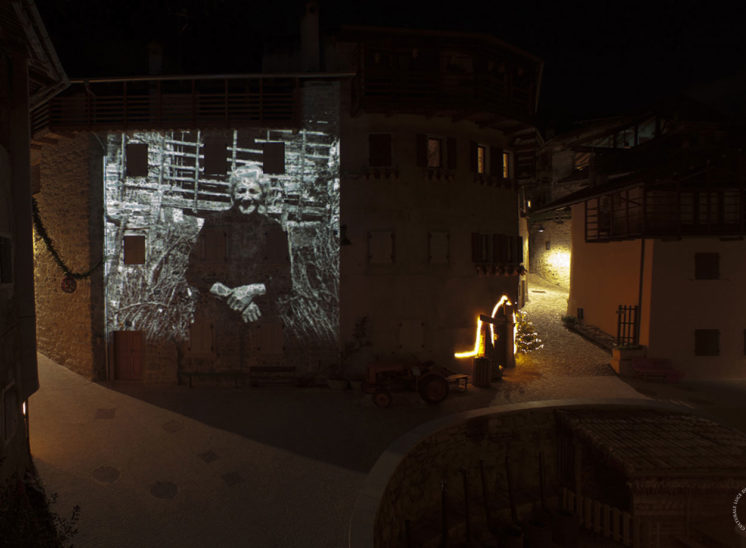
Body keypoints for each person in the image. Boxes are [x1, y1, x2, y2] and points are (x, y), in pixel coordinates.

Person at [184, 164, 291, 369]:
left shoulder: (273, 229)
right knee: (211, 382)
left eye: (253, 191)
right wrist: (236, 298)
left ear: (263, 195)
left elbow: (284, 281)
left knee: (260, 386)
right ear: (232, 194)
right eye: (241, 190)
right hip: (216, 317)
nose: (246, 197)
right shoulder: (215, 224)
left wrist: (251, 291)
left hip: (259, 316)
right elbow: (195, 272)